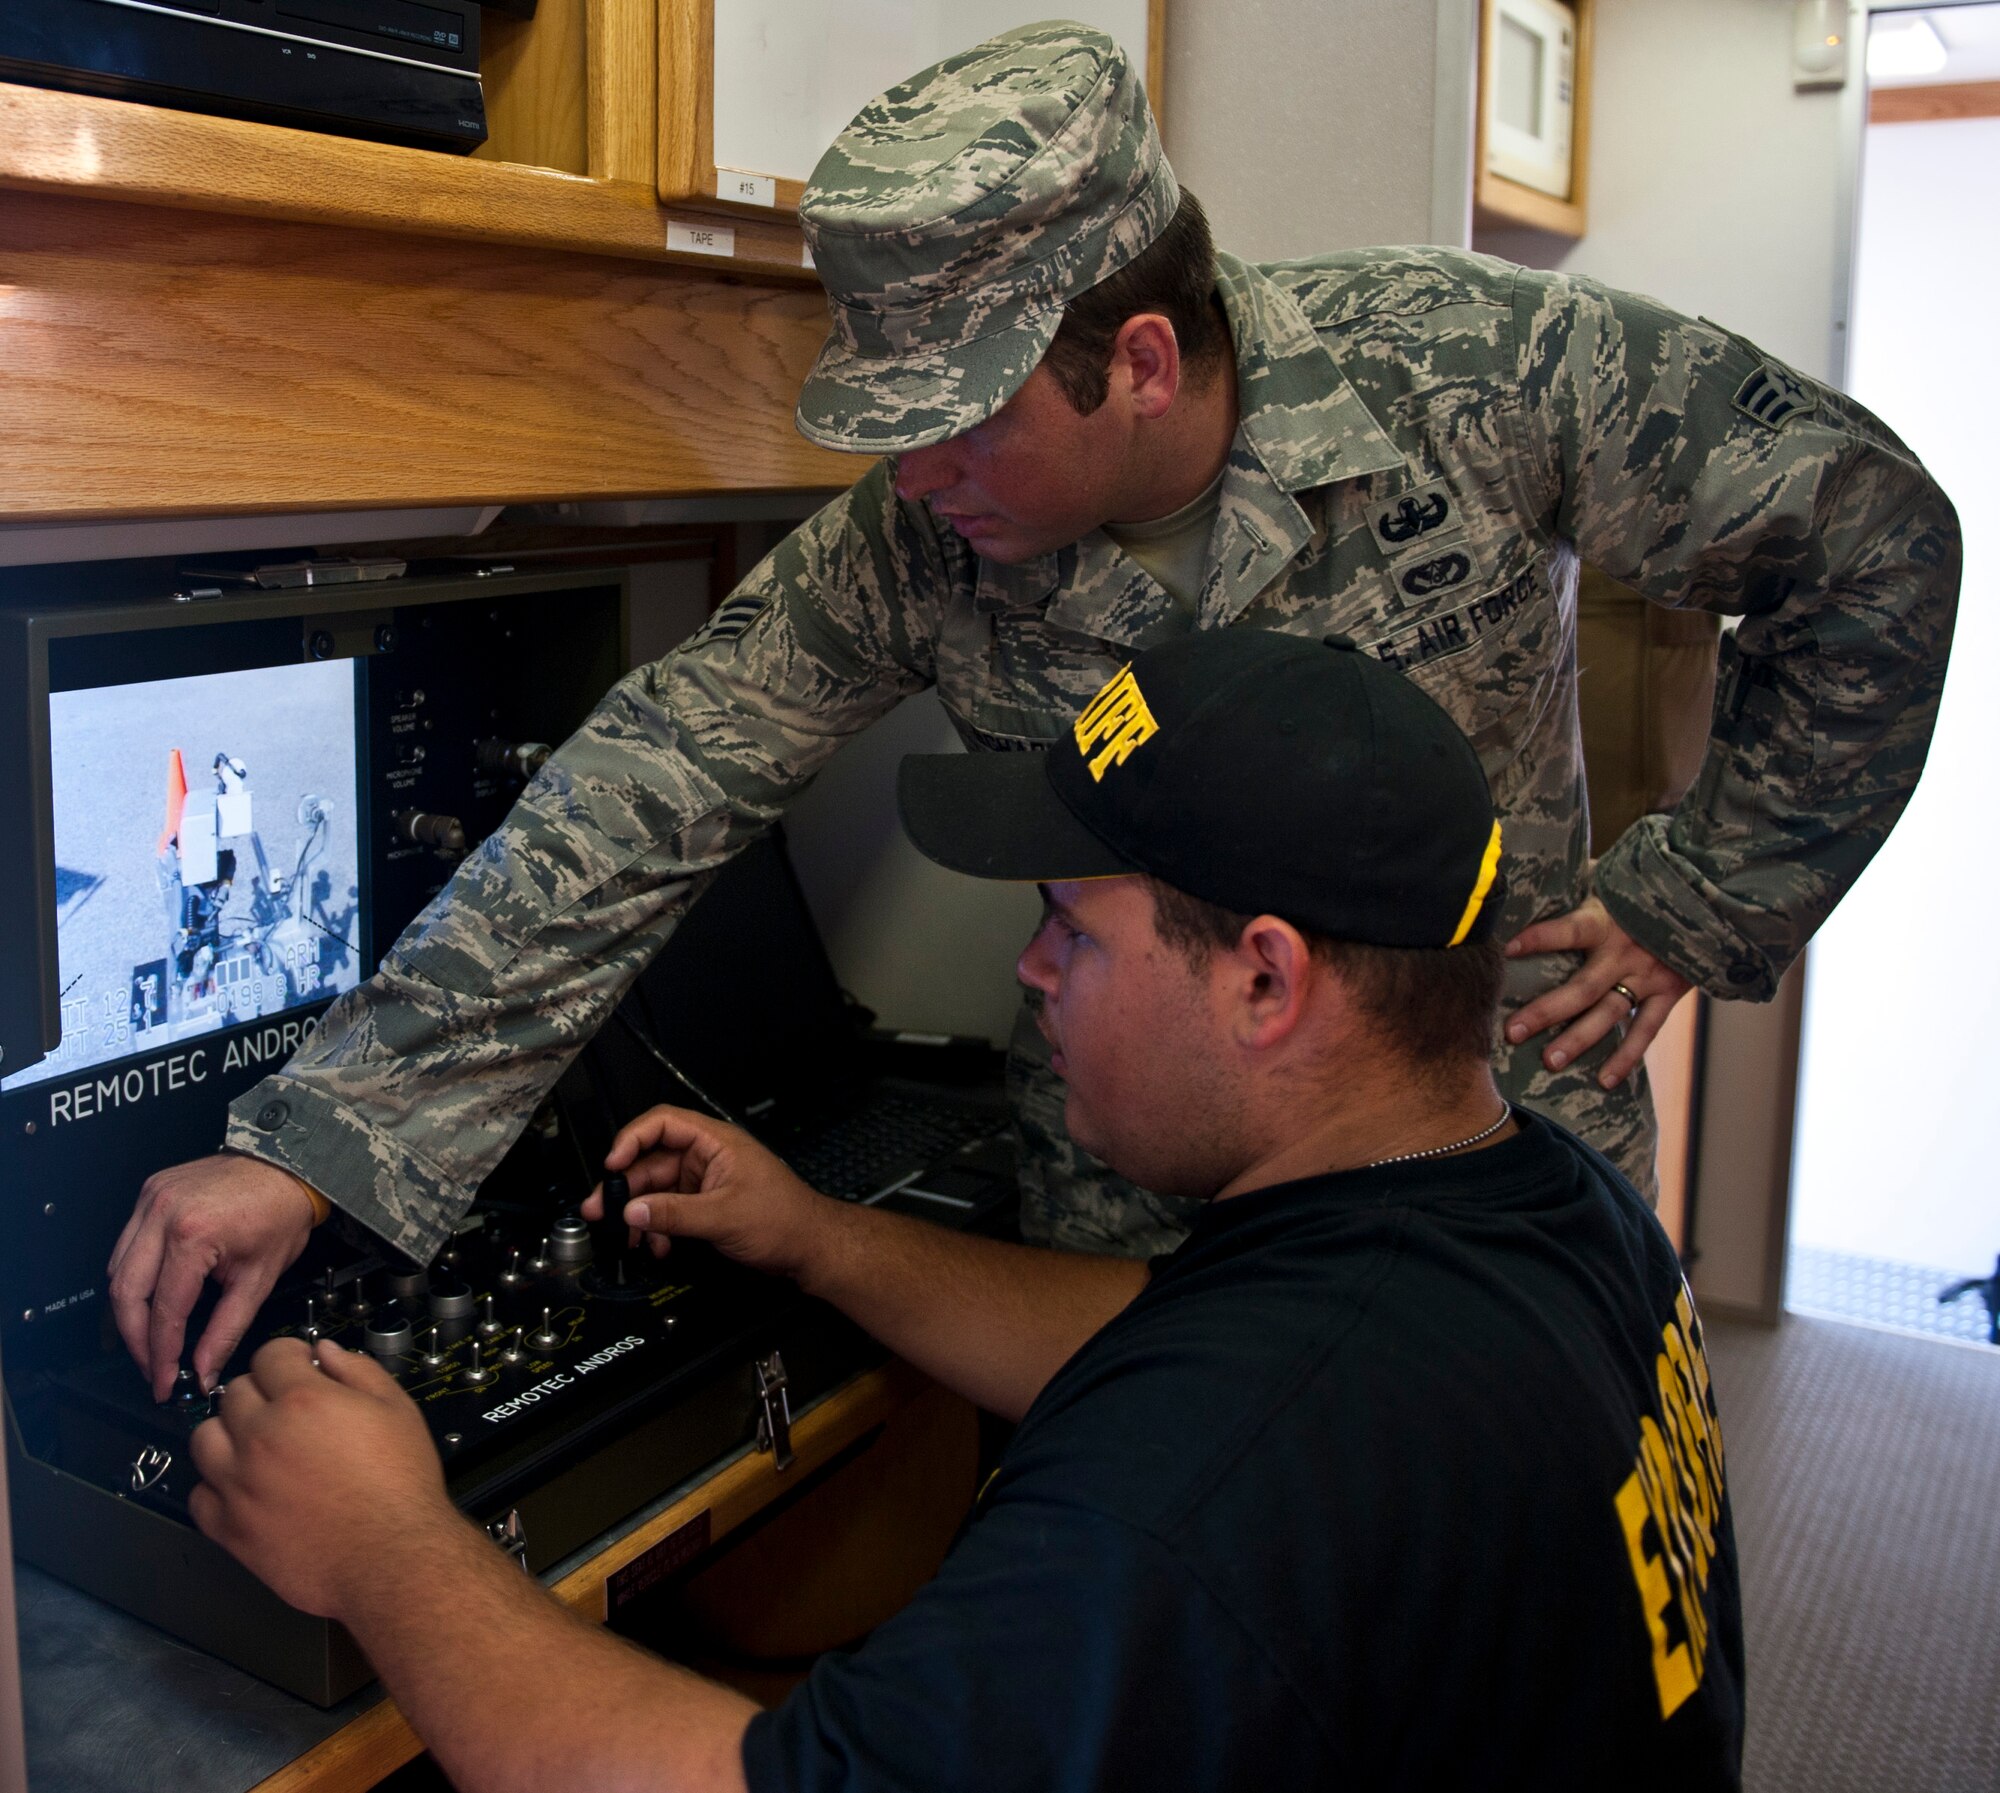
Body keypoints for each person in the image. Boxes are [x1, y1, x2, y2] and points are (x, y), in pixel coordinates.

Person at [111, 20, 1959, 1401]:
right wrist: (320, 1132)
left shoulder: (1479, 371)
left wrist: (1700, 899)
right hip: (1138, 1200)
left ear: (1140, 358)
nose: (911, 474)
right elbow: (648, 781)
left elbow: (1878, 539)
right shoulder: (921, 541)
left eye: (958, 416)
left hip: (1485, 1162)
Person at [188, 632, 1745, 1791]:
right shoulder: (1547, 1208)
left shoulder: (1210, 1486)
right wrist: (817, 1232)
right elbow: (1166, 1335)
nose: (1030, 969)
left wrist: (384, 1540)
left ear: (1266, 978)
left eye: (1071, 924)